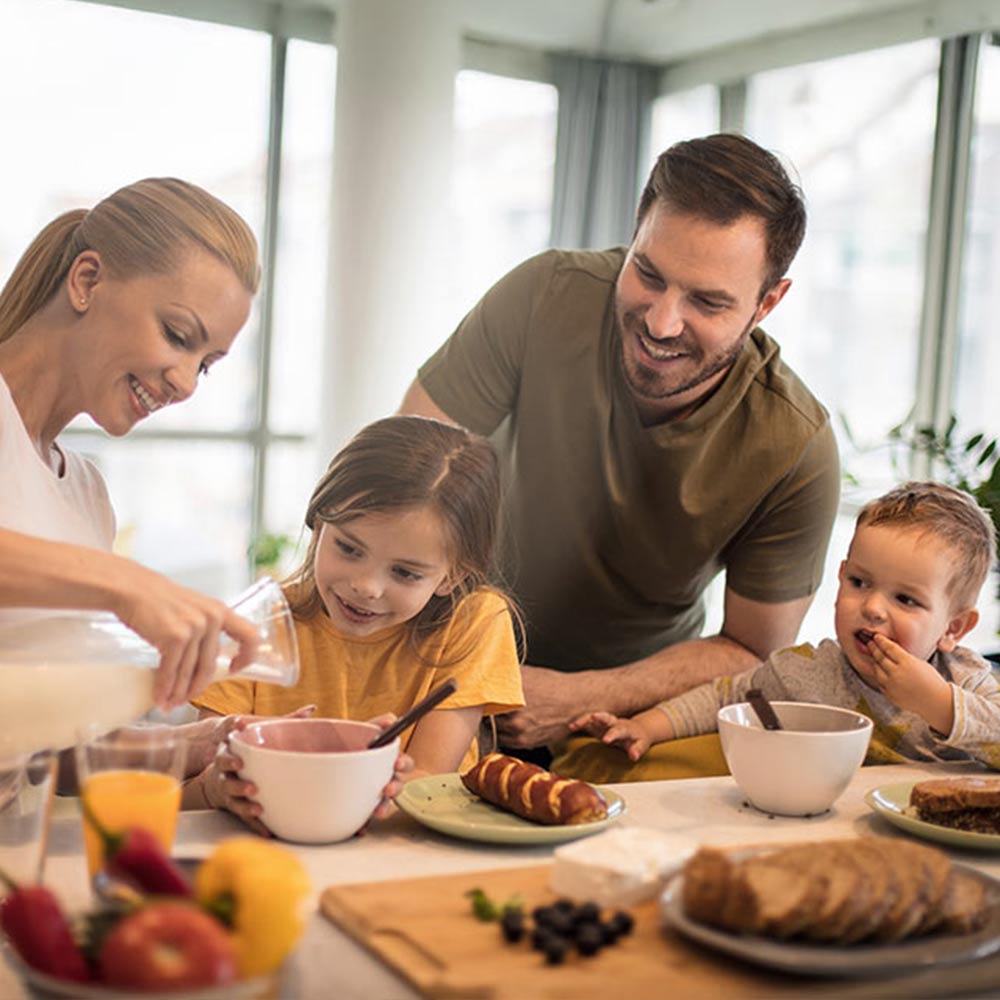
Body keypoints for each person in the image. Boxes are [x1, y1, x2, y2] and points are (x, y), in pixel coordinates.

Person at [399, 133, 840, 777]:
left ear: (767, 303)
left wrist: (580, 696)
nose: (661, 323)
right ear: (633, 237)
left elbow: (753, 649)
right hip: (446, 660)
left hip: (626, 717)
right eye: (648, 274)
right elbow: (403, 474)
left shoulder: (795, 446)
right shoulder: (544, 295)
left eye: (708, 301)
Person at [189, 415, 525, 834]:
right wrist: (213, 789)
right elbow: (191, 787)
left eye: (404, 573)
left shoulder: (475, 622)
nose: (366, 587)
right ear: (317, 524)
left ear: (453, 576)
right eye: (348, 548)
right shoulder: (252, 626)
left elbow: (426, 785)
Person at [0, 177, 262, 710]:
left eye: (205, 365)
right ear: (87, 280)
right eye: (177, 335)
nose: (186, 384)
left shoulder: (87, 496)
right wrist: (123, 582)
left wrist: (201, 759)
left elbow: (48, 742)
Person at [571, 482, 1000, 770]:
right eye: (859, 582)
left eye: (905, 599)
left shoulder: (966, 682)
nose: (871, 607)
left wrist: (938, 703)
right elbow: (731, 694)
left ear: (954, 628)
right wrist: (647, 726)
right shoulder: (809, 671)